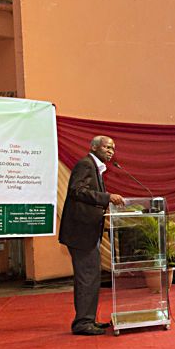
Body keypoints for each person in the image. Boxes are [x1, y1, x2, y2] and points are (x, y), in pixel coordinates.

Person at [58, 135, 125, 335]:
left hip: (87, 232)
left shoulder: (95, 168)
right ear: (94, 147)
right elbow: (76, 190)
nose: (111, 151)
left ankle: (87, 319)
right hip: (81, 233)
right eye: (107, 147)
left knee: (91, 277)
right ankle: (82, 323)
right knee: (87, 278)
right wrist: (107, 197)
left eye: (113, 148)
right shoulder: (86, 165)